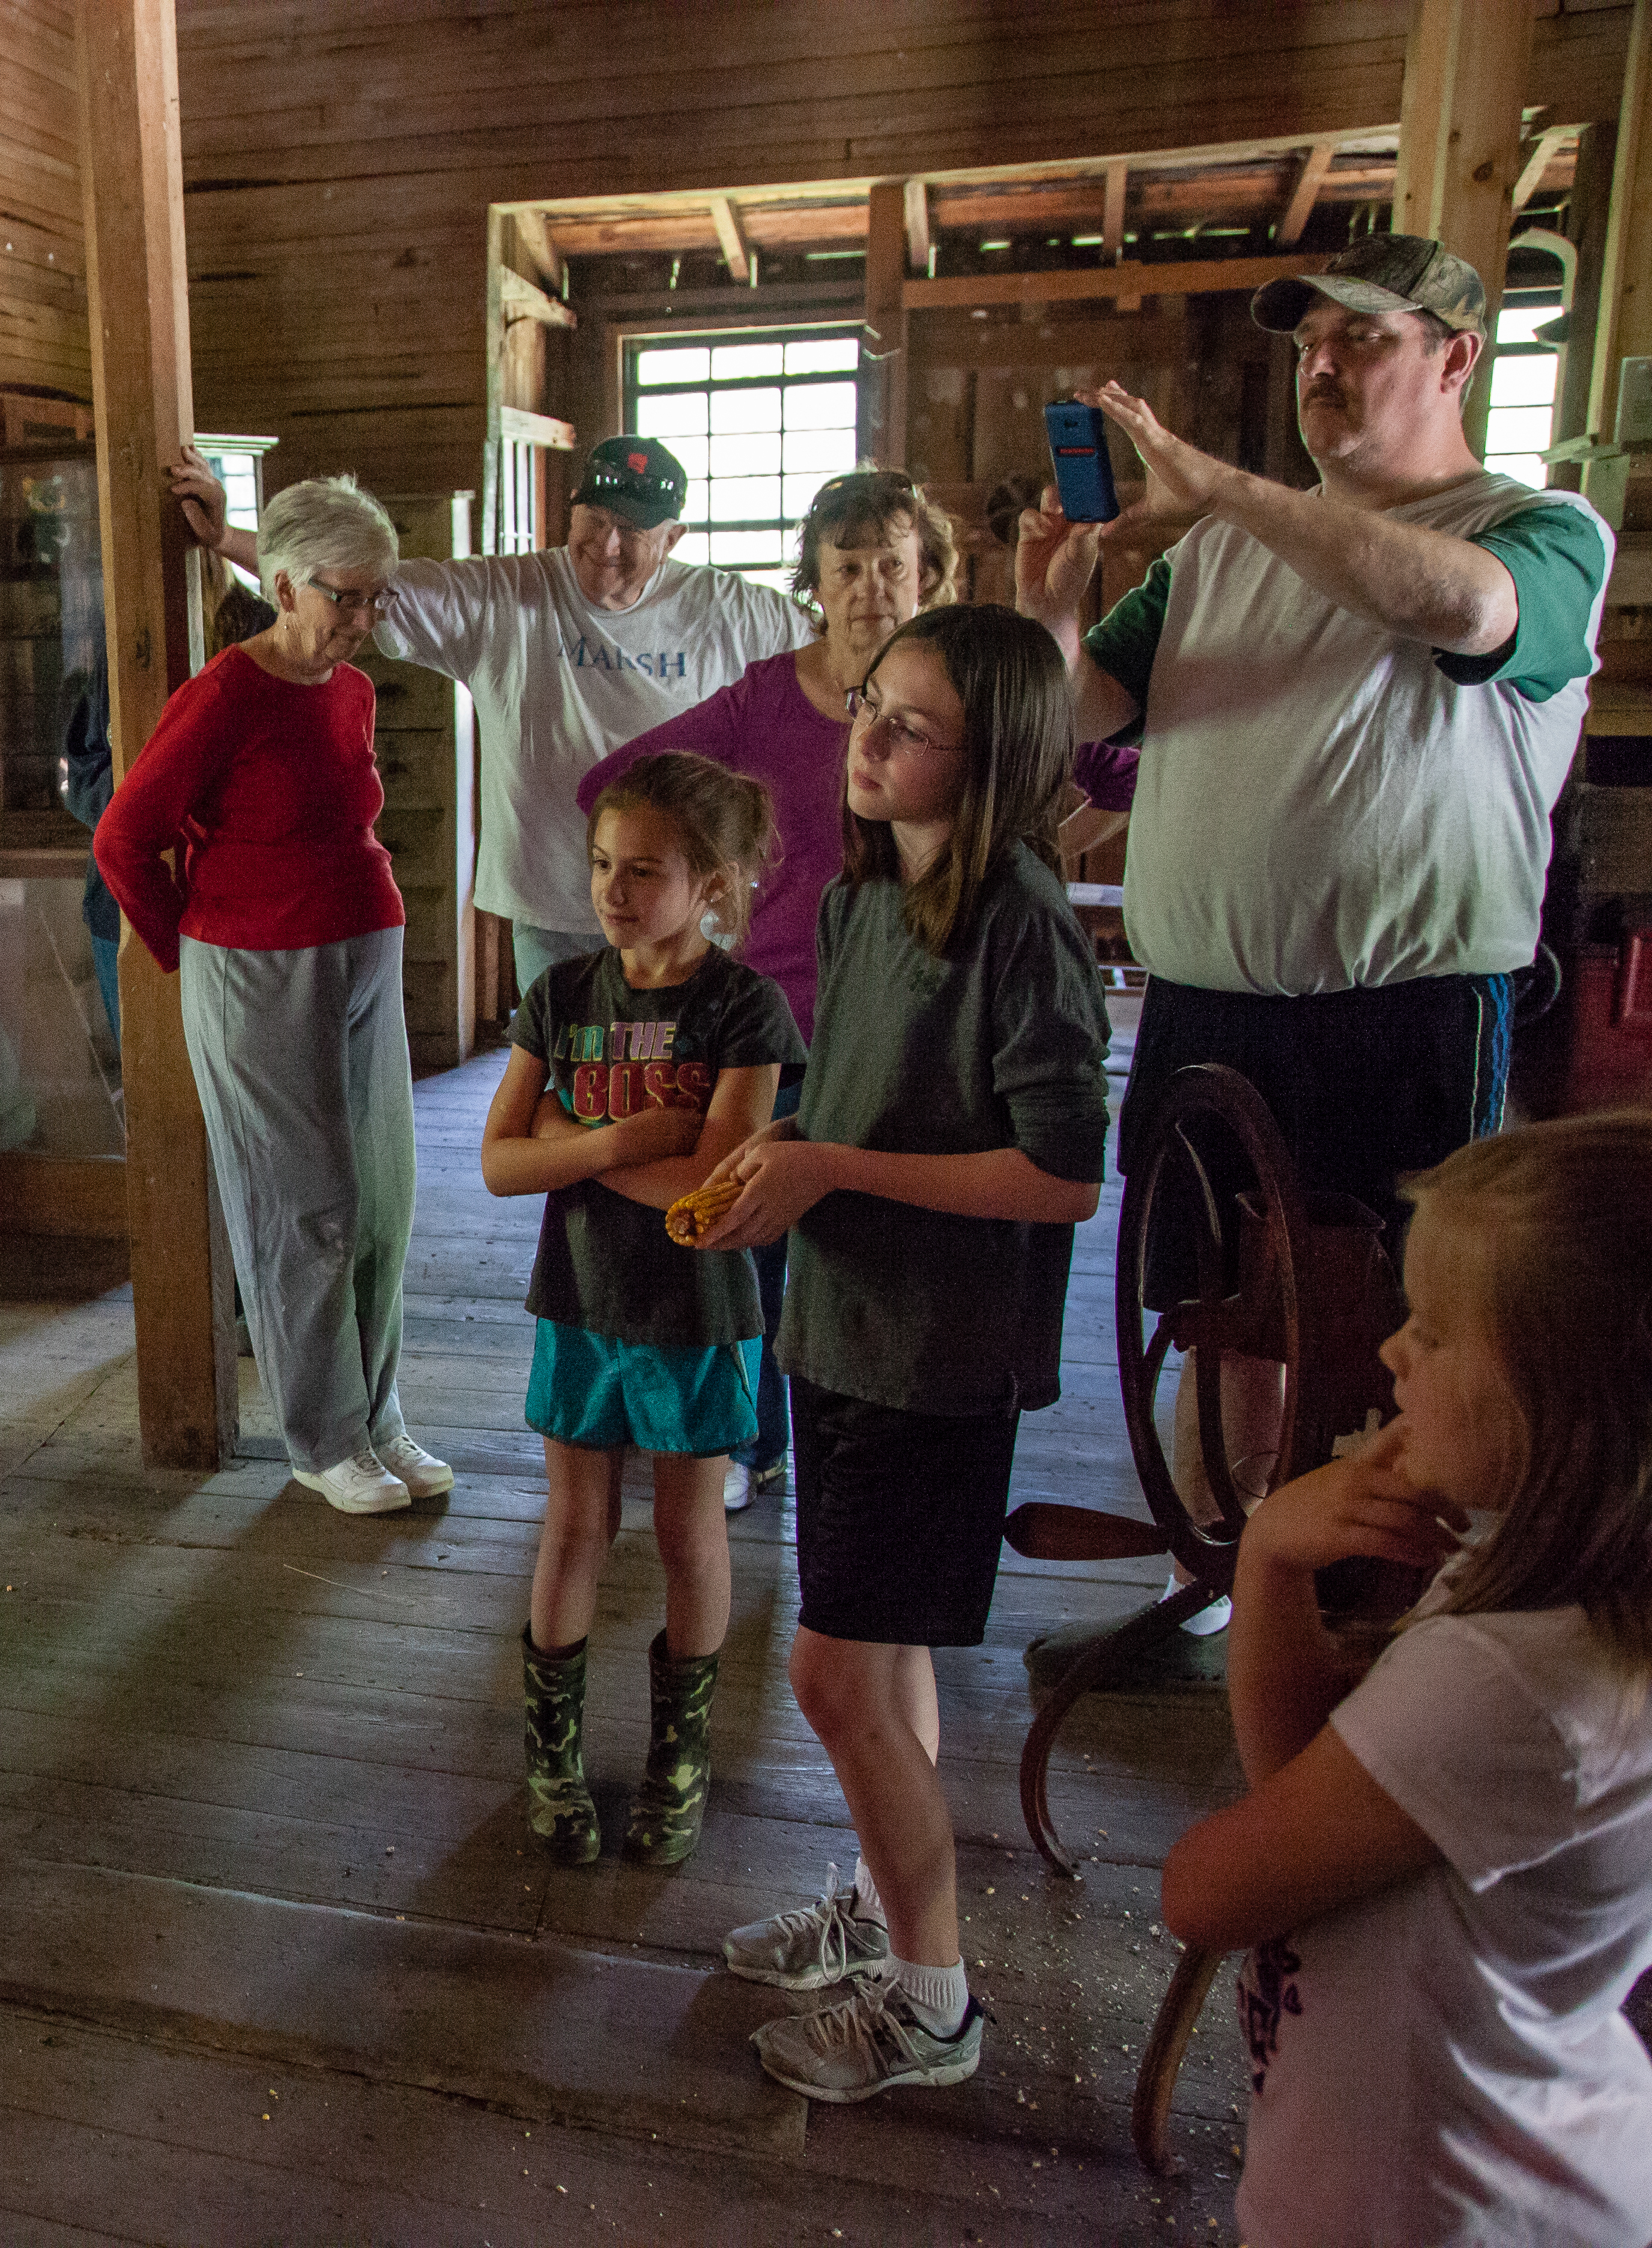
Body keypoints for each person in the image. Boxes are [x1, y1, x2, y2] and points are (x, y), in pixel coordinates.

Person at [1016, 232, 1611, 1637]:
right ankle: (1221, 1590)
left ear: (1456, 358)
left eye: (1361, 337)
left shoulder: (1537, 529)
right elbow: (1085, 709)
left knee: (1409, 1336)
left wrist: (1225, 486)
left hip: (1402, 1014)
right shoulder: (1219, 556)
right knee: (1216, 1319)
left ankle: (1388, 1624)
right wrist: (1048, 604)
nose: (1323, 366)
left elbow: (1463, 612)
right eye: (1308, 345)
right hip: (1204, 1009)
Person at [690, 606, 1112, 2101]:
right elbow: (868, 1105)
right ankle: (879, 1912)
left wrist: (835, 1171)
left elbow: (1064, 1172)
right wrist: (791, 1148)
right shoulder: (867, 897)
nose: (863, 735)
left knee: (828, 1680)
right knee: (881, 1654)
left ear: (990, 757)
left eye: (908, 724)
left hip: (936, 1354)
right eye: (868, 701)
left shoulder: (1020, 921)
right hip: (842, 1323)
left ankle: (932, 2007)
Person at [1163, 1113, 1652, 2247]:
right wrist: (1272, 1559)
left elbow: (1207, 1892)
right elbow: (1313, 1787)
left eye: (1431, 1331)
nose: (1392, 1352)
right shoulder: (1548, 1588)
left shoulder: (1508, 1681)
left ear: (1563, 1403)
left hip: (1429, 2200)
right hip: (1498, 2158)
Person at [575, 470, 961, 1509]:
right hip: (781, 1012)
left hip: (915, 1010)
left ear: (928, 575)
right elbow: (614, 787)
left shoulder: (956, 693)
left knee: (879, 1248)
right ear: (815, 584)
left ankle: (866, 1448)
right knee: (753, 1241)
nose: (871, 587)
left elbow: (1100, 771)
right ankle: (752, 1443)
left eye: (892, 565)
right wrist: (705, 888)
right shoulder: (763, 697)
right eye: (848, 567)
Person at [94, 476, 447, 1518]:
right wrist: (190, 954)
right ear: (286, 586)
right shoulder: (224, 695)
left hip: (363, 946)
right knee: (305, 1211)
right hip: (255, 962)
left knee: (382, 1200)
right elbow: (123, 840)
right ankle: (323, 1439)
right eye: (348, 596)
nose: (364, 618)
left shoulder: (352, 690)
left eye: (376, 597)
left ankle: (377, 1415)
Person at [171, 434, 810, 995]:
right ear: (573, 509)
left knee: (684, 1076)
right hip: (553, 903)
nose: (607, 544)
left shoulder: (730, 610)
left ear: (672, 538)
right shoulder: (509, 593)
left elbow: (831, 647)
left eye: (632, 531)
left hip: (684, 910)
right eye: (594, 520)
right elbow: (347, 583)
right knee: (564, 1079)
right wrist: (225, 538)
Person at [479, 754, 800, 1867]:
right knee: (573, 1527)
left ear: (711, 882)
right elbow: (498, 1164)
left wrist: (569, 1143)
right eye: (603, 864)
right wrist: (625, 1140)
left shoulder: (743, 1008)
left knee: (686, 1533)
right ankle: (553, 1759)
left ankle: (679, 1759)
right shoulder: (562, 995)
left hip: (700, 1314)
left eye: (644, 870)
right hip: (579, 1301)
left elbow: (713, 1193)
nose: (613, 890)